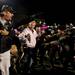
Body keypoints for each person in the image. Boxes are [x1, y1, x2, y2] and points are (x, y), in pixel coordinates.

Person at [0, 5, 16, 75]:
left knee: (5, 70)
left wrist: (8, 33)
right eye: (11, 12)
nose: (12, 14)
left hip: (5, 51)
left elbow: (13, 34)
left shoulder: (10, 23)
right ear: (5, 12)